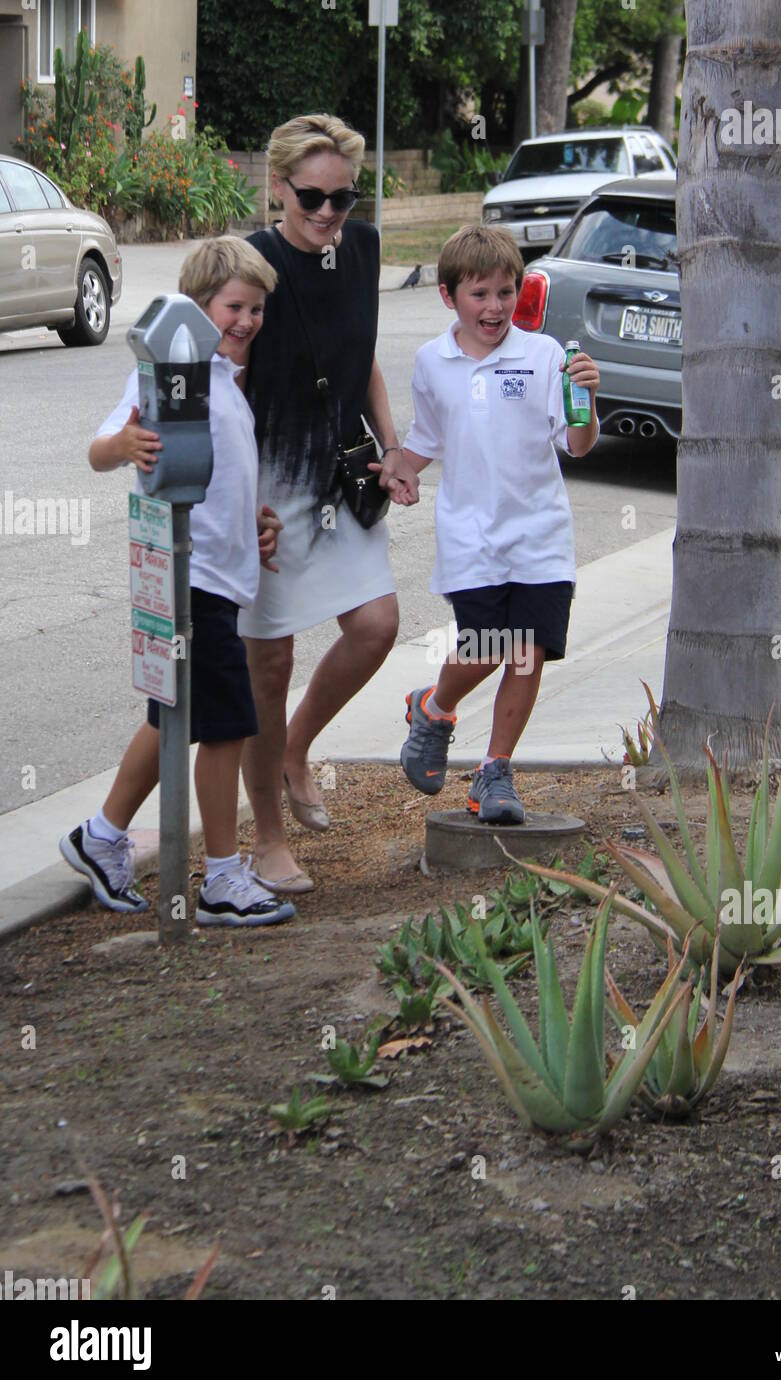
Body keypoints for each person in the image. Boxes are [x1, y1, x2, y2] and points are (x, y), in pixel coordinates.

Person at [60, 237, 295, 928]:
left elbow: (222, 475)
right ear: (195, 308)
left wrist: (256, 519)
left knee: (171, 716)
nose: (247, 321)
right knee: (227, 729)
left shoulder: (223, 379)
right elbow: (101, 448)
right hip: (192, 581)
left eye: (256, 309)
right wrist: (125, 446)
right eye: (233, 307)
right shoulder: (168, 370)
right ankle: (222, 878)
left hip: (217, 573)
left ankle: (102, 837)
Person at [381, 224, 600, 825]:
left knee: (527, 653)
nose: (495, 307)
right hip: (470, 534)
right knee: (486, 645)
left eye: (506, 292)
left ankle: (495, 773)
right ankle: (434, 706)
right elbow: (429, 436)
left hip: (541, 535)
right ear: (449, 296)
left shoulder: (545, 356)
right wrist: (401, 465)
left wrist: (586, 403)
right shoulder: (433, 360)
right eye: (479, 294)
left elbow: (576, 446)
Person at [239, 113, 406, 894]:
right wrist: (237, 504)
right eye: (312, 197)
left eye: (343, 198)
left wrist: (393, 444)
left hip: (344, 472)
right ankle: (267, 836)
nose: (329, 213)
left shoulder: (363, 249)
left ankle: (297, 747)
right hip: (268, 482)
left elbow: (361, 353)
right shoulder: (250, 264)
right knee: (267, 659)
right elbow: (223, 383)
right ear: (277, 186)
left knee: (376, 625)